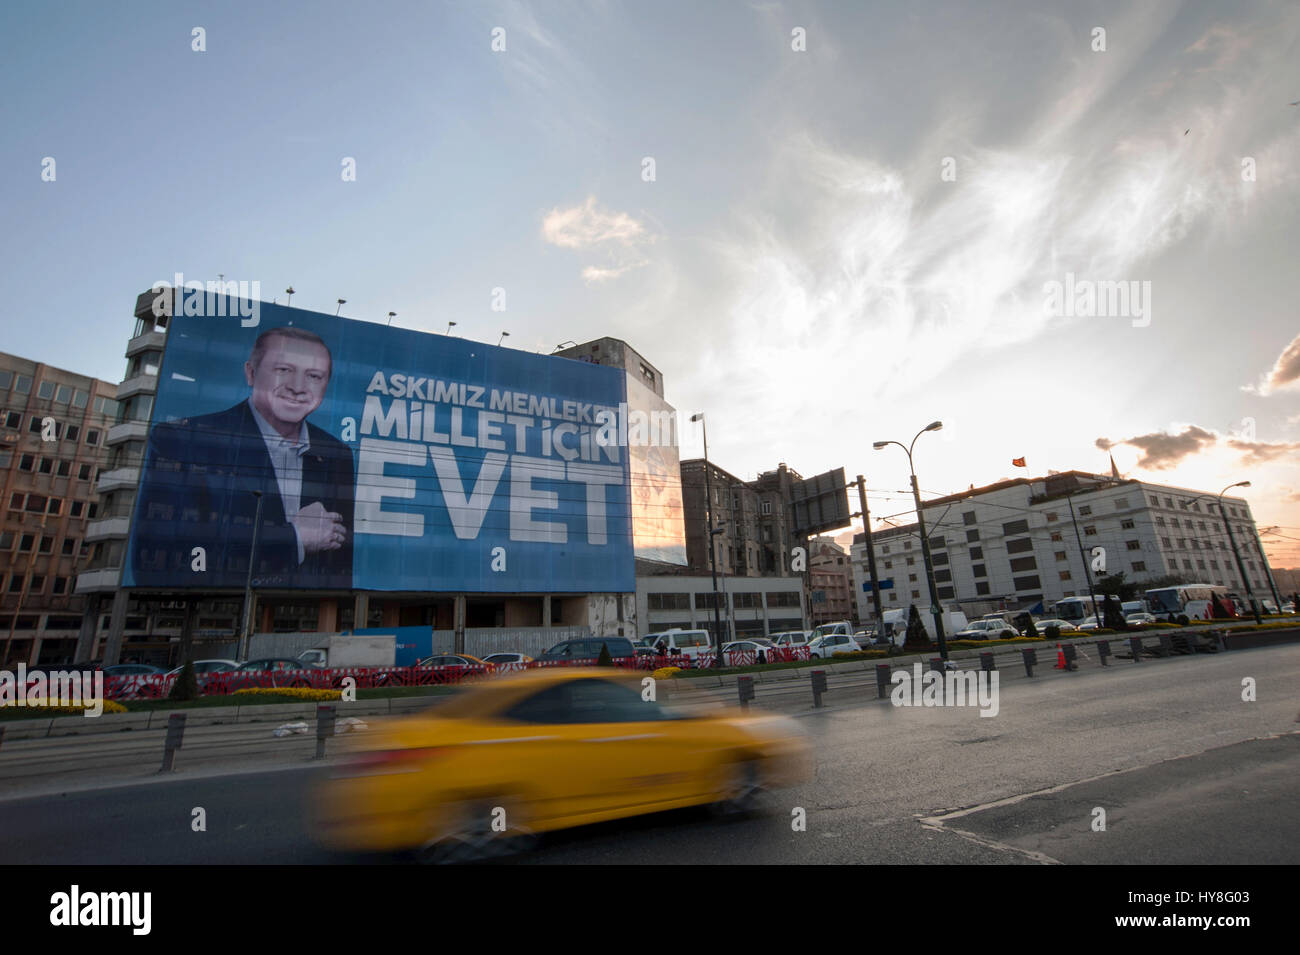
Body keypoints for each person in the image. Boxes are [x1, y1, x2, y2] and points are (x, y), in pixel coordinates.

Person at [130, 326, 354, 590]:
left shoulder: (335, 453)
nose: (297, 388)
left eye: (314, 376)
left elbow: (338, 572)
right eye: (284, 370)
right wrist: (293, 538)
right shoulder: (185, 440)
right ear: (251, 373)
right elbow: (158, 559)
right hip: (213, 612)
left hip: (302, 615)